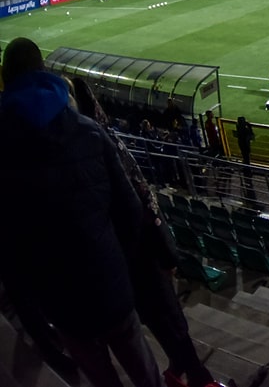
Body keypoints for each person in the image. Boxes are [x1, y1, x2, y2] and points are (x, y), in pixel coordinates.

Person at [0, 38, 165, 387]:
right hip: (109, 284)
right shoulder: (89, 132)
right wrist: (116, 260)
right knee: (145, 373)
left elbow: (10, 248)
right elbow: (130, 211)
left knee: (101, 378)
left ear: (5, 78)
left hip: (60, 301)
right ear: (43, 71)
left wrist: (35, 305)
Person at [71, 77, 214, 387]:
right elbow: (142, 199)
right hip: (135, 254)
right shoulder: (101, 141)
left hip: (121, 258)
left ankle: (184, 366)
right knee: (163, 315)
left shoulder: (82, 146)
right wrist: (164, 251)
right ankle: (193, 370)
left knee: (157, 316)